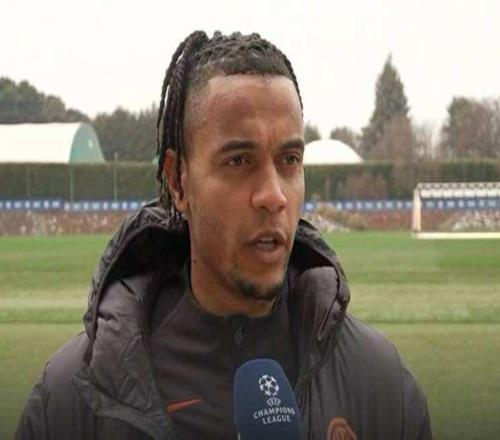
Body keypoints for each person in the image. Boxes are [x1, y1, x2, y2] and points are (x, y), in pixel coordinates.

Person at [16, 31, 431, 440]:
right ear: (178, 181)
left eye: (289, 160)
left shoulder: (381, 386)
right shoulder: (70, 402)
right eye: (239, 161)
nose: (273, 196)